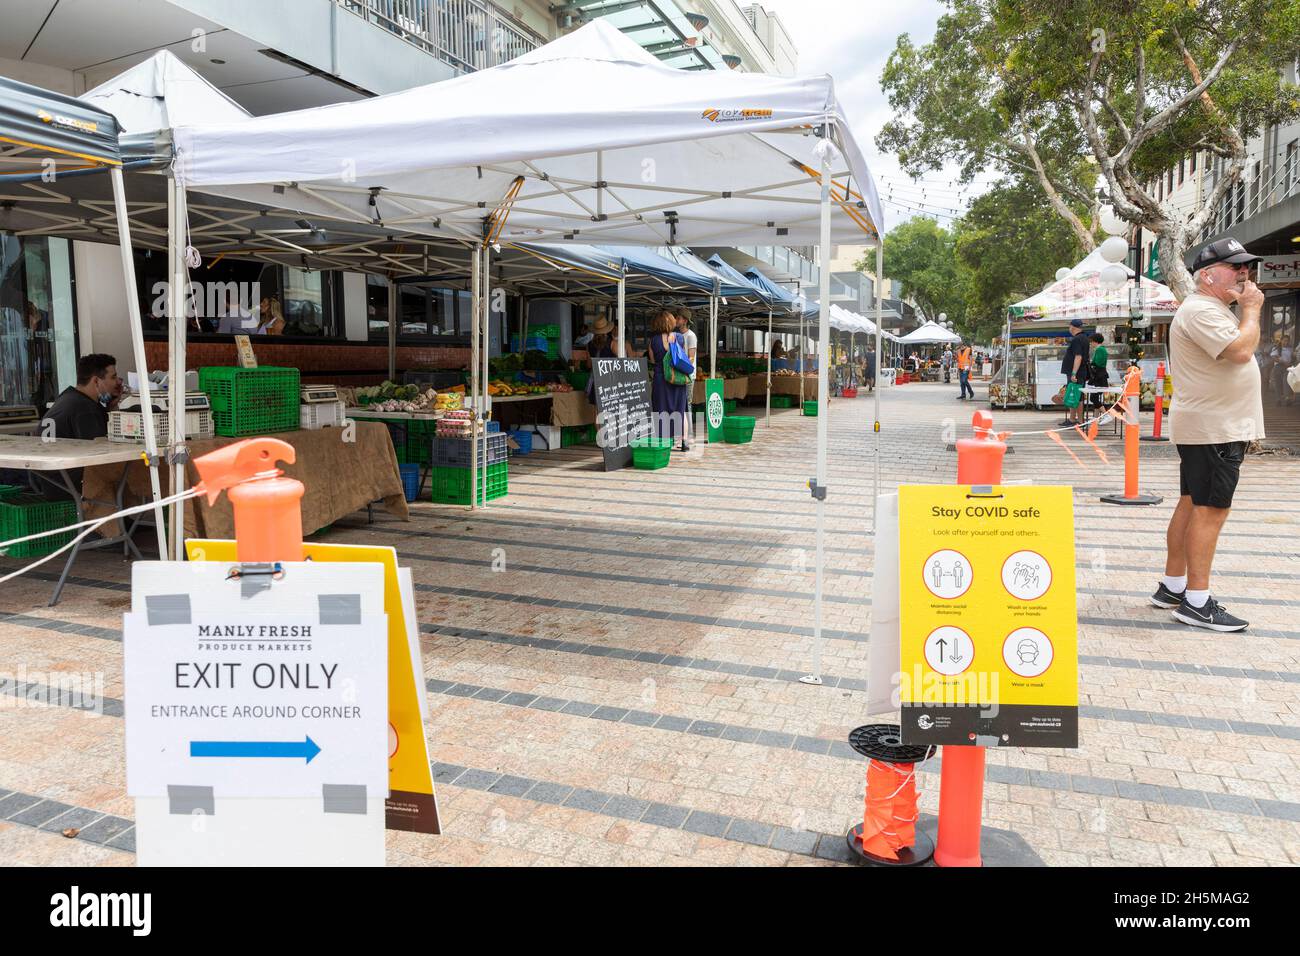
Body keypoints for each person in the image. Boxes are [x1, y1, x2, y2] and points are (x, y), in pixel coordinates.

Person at [1152, 238, 1264, 631]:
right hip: (1215, 428)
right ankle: (1196, 602)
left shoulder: (1209, 308)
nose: (1244, 273)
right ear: (1207, 275)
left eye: (1246, 266)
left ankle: (1173, 585)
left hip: (1212, 425)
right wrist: (1251, 311)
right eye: (1235, 267)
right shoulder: (1202, 310)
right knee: (1211, 510)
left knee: (1192, 503)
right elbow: (1240, 352)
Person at [37, 353, 123, 499]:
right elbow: (103, 454)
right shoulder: (85, 409)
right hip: (67, 486)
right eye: (113, 377)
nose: (118, 383)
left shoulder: (68, 397)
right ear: (96, 381)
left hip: (47, 481)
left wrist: (110, 407)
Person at [646, 309, 690, 450]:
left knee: (661, 410)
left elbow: (652, 360)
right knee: (680, 409)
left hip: (660, 378)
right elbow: (682, 357)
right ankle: (683, 442)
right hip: (677, 378)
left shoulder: (653, 341)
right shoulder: (680, 337)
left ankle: (664, 443)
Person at [1059, 319, 1090, 426]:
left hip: (1077, 372)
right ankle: (1073, 419)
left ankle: (1080, 421)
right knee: (1075, 394)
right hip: (1080, 371)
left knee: (1077, 395)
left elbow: (1078, 356)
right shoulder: (1084, 337)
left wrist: (1073, 373)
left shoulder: (1077, 339)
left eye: (1070, 326)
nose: (1069, 329)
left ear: (1073, 327)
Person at [1086, 332, 1109, 410]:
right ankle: (1096, 418)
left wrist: (1090, 363)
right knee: (1095, 397)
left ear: (1095, 341)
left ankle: (1105, 414)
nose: (1090, 343)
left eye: (1091, 341)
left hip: (1099, 376)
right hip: (1101, 376)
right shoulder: (1101, 349)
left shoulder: (1100, 349)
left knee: (1093, 398)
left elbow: (1098, 363)